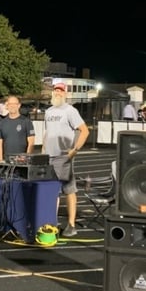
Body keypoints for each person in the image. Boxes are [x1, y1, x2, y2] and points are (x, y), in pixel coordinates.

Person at [42, 82, 89, 237]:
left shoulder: (70, 110)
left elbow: (84, 131)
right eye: (56, 90)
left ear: (66, 93)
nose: (58, 93)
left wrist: (73, 151)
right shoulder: (48, 111)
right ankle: (51, 221)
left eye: (61, 91)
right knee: (51, 191)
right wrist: (43, 152)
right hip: (49, 156)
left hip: (63, 156)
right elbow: (47, 133)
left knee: (68, 190)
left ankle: (71, 224)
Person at [0, 96, 35, 162]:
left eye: (15, 104)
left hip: (22, 161)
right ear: (7, 106)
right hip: (7, 160)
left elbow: (31, 142)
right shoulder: (2, 123)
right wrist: (0, 160)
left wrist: (26, 158)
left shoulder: (26, 121)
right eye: (10, 104)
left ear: (19, 105)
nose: (12, 106)